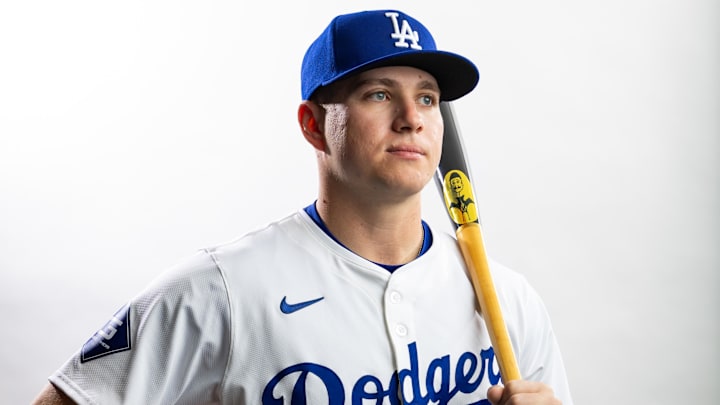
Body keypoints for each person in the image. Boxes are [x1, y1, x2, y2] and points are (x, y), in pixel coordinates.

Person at [32, 9, 572, 405]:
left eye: (427, 97)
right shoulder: (221, 291)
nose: (412, 117)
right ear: (314, 125)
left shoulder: (510, 300)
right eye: (379, 94)